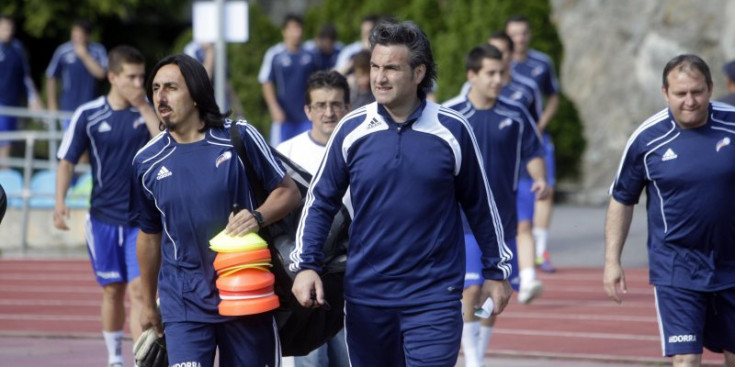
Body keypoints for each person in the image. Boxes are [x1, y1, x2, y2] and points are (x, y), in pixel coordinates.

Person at [290, 21, 512, 367]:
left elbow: (481, 206)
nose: (379, 77)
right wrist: (306, 266)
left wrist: (496, 272)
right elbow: (320, 202)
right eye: (376, 67)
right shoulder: (352, 129)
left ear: (418, 72)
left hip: (435, 297)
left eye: (391, 68)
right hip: (367, 297)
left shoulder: (452, 130)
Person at [132, 53, 301, 366]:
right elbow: (149, 236)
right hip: (183, 303)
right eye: (155, 88)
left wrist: (258, 216)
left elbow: (289, 193)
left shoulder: (239, 137)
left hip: (246, 294)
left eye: (171, 87)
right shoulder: (146, 162)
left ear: (196, 94)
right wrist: (146, 303)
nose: (160, 96)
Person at [604, 54, 735, 367]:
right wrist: (612, 260)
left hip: (732, 264)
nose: (690, 101)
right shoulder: (647, 139)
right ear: (665, 93)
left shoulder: (732, 123)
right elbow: (622, 198)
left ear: (710, 88)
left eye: (697, 92)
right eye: (680, 93)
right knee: (686, 359)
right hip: (678, 267)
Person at [54, 45, 159, 367]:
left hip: (141, 222)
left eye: (142, 77)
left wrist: (143, 107)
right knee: (112, 290)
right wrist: (60, 202)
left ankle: (142, 359)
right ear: (113, 77)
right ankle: (114, 358)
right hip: (102, 218)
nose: (139, 83)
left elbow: (166, 143)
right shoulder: (88, 114)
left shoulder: (149, 112)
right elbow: (67, 161)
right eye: (131, 77)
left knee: (141, 291)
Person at [444, 44, 548, 367]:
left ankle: (478, 351)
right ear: (471, 75)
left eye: (501, 72)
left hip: (502, 221)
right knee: (471, 289)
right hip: (462, 222)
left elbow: (532, 152)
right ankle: (474, 360)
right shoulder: (452, 114)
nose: (498, 79)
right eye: (490, 73)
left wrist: (540, 179)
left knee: (494, 296)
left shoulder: (516, 115)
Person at [277, 70, 350, 367]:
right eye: (320, 105)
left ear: (347, 107)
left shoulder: (361, 150)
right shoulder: (286, 154)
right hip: (304, 278)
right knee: (311, 361)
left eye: (336, 104)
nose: (329, 112)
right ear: (308, 110)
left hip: (350, 277)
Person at [506, 15, 560, 272]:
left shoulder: (542, 63)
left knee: (544, 187)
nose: (519, 39)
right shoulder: (501, 66)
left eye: (523, 33)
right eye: (514, 34)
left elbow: (554, 97)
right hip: (507, 142)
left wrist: (539, 124)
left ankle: (540, 250)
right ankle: (514, 244)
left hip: (537, 138)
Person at [259, 14, 317, 145]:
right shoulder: (275, 54)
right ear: (284, 31)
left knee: (307, 150)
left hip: (306, 115)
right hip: (284, 117)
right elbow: (266, 81)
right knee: (281, 154)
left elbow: (317, 82)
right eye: (292, 29)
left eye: (299, 28)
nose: (296, 33)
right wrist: (274, 108)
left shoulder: (310, 54)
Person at [45, 19, 108, 130]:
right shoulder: (63, 51)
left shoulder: (98, 50)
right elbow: (51, 77)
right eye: (74, 34)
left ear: (88, 36)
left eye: (80, 35)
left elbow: (102, 74)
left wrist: (84, 56)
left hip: (91, 106)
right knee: (71, 140)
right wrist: (52, 104)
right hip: (68, 107)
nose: (76, 38)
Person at [0, 14, 42, 163]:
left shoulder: (18, 48)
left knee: (9, 142)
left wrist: (33, 98)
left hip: (13, 102)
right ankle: (4, 170)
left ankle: (5, 172)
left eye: (10, 27)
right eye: (4, 27)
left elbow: (25, 76)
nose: (8, 31)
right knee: (3, 142)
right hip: (1, 104)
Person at [183, 40, 242, 116]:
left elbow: (224, 81)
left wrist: (238, 108)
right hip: (203, 110)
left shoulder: (217, 46)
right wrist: (210, 51)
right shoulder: (192, 49)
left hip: (222, 106)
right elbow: (202, 79)